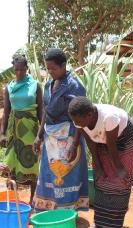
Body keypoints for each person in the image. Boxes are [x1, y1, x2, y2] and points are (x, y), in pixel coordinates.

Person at [68, 96, 133, 228]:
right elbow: (91, 144)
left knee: (119, 182)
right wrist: (98, 165)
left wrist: (119, 168)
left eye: (79, 122)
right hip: (101, 139)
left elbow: (112, 147)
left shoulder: (109, 118)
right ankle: (99, 225)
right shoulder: (82, 119)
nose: (77, 125)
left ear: (89, 115)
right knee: (100, 179)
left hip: (124, 138)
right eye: (75, 122)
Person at [32, 48, 88, 211]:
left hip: (69, 137)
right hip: (50, 139)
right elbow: (46, 111)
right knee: (49, 174)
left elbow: (81, 116)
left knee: (67, 175)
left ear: (63, 65)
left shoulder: (74, 85)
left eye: (54, 68)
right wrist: (39, 135)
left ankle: (67, 211)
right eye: (48, 69)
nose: (50, 72)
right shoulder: (49, 84)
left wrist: (75, 144)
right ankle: (47, 208)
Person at [0, 54, 43, 204]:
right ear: (13, 69)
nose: (19, 73)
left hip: (30, 129)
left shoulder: (35, 85)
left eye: (22, 70)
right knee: (12, 162)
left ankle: (32, 201)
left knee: (31, 161)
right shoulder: (9, 87)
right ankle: (15, 202)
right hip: (13, 129)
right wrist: (2, 133)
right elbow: (6, 111)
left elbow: (41, 111)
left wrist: (41, 133)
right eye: (16, 70)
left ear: (27, 69)